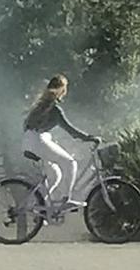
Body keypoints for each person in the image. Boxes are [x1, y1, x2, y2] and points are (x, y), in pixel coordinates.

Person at [23, 74, 100, 209]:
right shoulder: (55, 109)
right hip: (38, 141)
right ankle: (67, 200)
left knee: (55, 175)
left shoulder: (41, 105)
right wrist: (90, 138)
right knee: (70, 164)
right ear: (62, 90)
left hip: (29, 140)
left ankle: (38, 207)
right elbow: (71, 130)